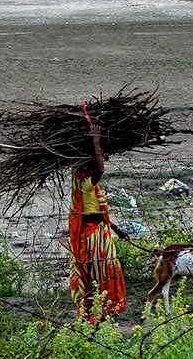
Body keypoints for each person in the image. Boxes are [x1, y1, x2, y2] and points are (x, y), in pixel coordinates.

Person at [68, 123, 130, 322]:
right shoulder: (83, 182)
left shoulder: (88, 186)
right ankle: (97, 312)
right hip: (91, 237)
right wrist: (95, 141)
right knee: (101, 275)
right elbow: (101, 169)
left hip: (100, 232)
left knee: (106, 274)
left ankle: (102, 311)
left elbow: (98, 212)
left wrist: (117, 230)